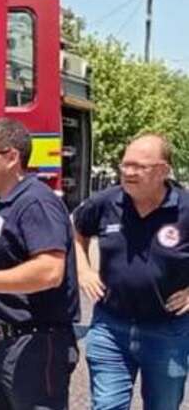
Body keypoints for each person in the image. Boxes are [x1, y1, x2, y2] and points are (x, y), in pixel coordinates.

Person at [0, 117, 80, 410]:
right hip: (1, 343)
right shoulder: (8, 202)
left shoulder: (36, 203)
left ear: (11, 157)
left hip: (36, 345)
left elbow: (49, 270)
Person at [73, 133, 189, 410]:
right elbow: (76, 231)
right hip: (110, 327)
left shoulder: (185, 208)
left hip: (167, 331)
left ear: (163, 170)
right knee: (107, 405)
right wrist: (84, 271)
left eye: (139, 166)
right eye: (125, 165)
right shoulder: (106, 202)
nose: (129, 172)